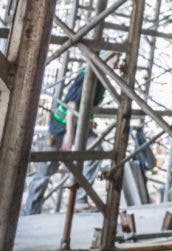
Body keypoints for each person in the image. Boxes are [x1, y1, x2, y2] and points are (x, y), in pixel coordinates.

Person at [22, 53, 120, 215]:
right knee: (47, 170)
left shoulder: (101, 78)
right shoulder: (88, 75)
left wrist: (88, 121)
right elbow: (72, 104)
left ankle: (80, 200)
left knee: (95, 152)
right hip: (61, 128)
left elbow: (86, 106)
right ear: (104, 58)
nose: (116, 65)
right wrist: (69, 134)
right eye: (114, 61)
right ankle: (30, 211)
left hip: (82, 127)